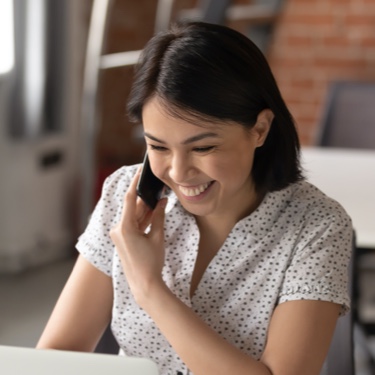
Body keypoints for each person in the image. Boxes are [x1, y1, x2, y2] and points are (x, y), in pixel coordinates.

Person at [37, 21, 353, 375]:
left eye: (203, 147)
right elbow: (56, 356)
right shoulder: (123, 195)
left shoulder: (317, 227)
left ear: (260, 129)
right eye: (157, 145)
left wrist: (150, 289)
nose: (178, 171)